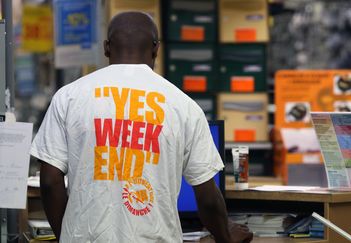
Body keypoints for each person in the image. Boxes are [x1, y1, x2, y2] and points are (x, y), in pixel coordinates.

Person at [30, 12, 253, 243]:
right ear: (156, 48)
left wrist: (66, 236)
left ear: (106, 48)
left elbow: (49, 181)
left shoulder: (69, 97)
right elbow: (207, 197)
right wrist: (226, 238)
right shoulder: (184, 106)